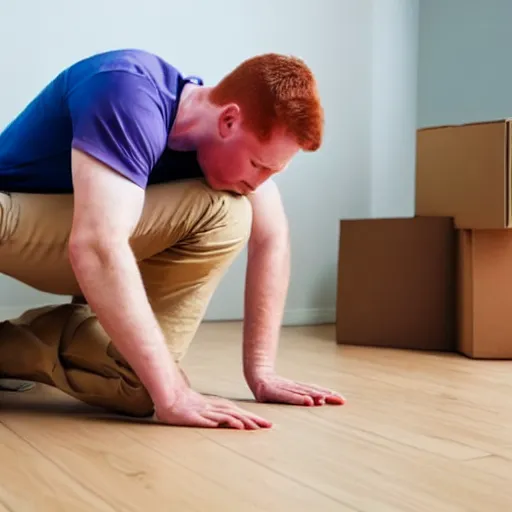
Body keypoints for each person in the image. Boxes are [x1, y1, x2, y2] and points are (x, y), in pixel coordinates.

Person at [0, 48, 345, 429]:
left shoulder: (220, 148)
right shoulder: (127, 90)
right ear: (229, 120)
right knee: (221, 212)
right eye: (259, 165)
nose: (260, 182)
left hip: (70, 238)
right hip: (11, 217)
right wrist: (174, 395)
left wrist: (261, 372)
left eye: (273, 172)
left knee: (136, 385)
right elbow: (96, 247)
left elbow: (272, 238)